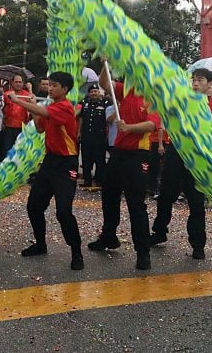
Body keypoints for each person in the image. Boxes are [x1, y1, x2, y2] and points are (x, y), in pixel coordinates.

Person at [7, 72, 85, 270]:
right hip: (50, 161)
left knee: (63, 212)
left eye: (55, 85)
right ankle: (40, 244)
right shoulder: (50, 107)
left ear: (65, 89)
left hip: (66, 164)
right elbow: (40, 128)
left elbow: (45, 114)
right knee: (34, 206)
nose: (50, 88)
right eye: (49, 85)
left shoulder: (65, 107)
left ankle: (77, 252)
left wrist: (19, 100)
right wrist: (34, 106)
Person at [89, 65, 162, 270]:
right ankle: (109, 237)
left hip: (138, 156)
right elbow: (104, 83)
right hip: (118, 154)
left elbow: (151, 125)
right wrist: (106, 65)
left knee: (136, 204)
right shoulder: (126, 91)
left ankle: (143, 252)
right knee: (109, 197)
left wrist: (128, 128)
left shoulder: (153, 99)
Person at [150, 68, 211, 260]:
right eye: (193, 80)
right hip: (176, 154)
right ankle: (159, 232)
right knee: (166, 196)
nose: (195, 83)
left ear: (209, 84)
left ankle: (198, 245)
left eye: (200, 80)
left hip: (198, 159)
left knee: (196, 203)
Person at [79, 83, 111, 190]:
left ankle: (99, 180)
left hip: (99, 137)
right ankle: (87, 180)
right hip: (86, 135)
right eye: (92, 92)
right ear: (89, 93)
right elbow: (81, 118)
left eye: (96, 91)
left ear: (99, 92)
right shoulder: (85, 103)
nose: (94, 93)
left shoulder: (104, 104)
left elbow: (108, 121)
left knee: (99, 160)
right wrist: (79, 132)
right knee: (86, 158)